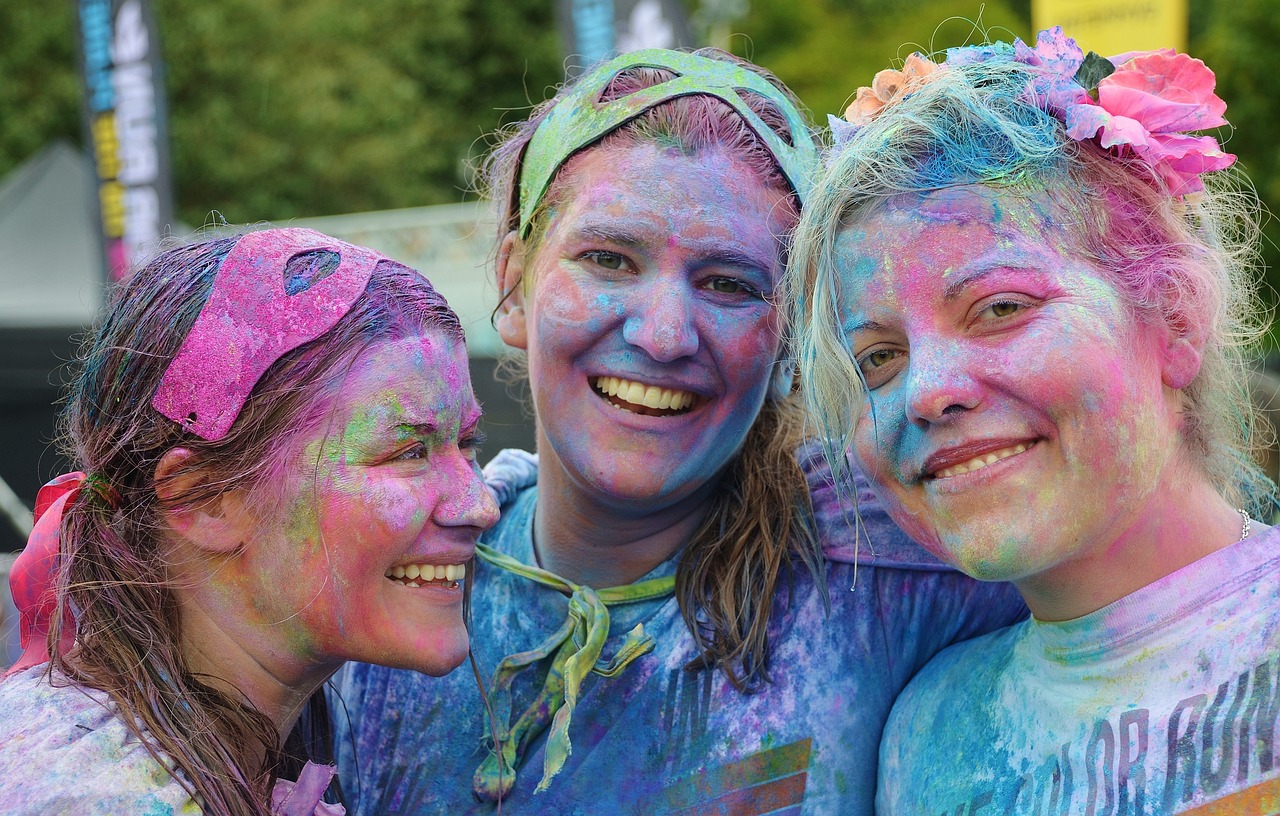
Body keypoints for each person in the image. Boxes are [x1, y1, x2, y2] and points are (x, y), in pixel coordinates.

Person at [334, 48, 1026, 814]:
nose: (665, 335)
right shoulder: (387, 590)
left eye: (729, 283)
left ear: (791, 333)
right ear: (512, 280)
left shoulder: (895, 567)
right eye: (608, 260)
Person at [788, 26, 1280, 813]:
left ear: (1175, 319)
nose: (925, 392)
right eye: (877, 358)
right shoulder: (926, 735)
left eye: (1000, 307)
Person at [0, 228, 499, 815]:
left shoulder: (227, 755)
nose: (480, 505)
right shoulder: (94, 799)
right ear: (203, 497)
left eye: (467, 443)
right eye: (407, 452)